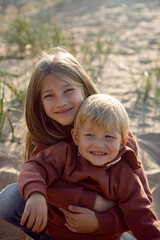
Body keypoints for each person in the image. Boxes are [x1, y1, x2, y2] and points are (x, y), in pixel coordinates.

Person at [0, 47, 152, 239]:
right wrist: (93, 201)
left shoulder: (115, 133)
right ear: (39, 102)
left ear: (84, 88)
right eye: (49, 95)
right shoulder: (45, 138)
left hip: (105, 229)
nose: (61, 102)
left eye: (68, 90)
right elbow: (40, 178)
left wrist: (100, 221)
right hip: (60, 226)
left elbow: (141, 201)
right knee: (11, 198)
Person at [18, 93, 160, 240]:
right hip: (55, 235)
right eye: (90, 135)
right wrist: (36, 194)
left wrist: (100, 223)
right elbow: (34, 167)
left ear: (123, 142)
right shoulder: (64, 154)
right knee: (9, 201)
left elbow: (141, 215)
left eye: (108, 137)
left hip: (104, 237)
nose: (98, 144)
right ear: (76, 137)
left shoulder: (124, 174)